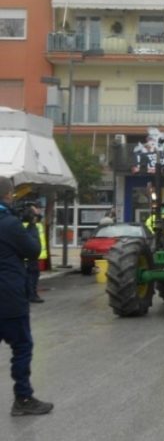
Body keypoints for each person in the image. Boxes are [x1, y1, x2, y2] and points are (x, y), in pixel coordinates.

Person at [0, 177, 54, 416]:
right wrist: (31, 224)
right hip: (9, 297)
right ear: (8, 195)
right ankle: (23, 398)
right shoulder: (9, 223)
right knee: (22, 346)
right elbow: (33, 251)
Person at [21, 203, 44, 304]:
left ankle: (31, 294)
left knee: (33, 275)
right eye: (35, 213)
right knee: (31, 276)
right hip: (29, 257)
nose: (37, 215)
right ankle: (31, 295)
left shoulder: (33, 225)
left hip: (33, 256)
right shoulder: (27, 226)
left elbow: (40, 217)